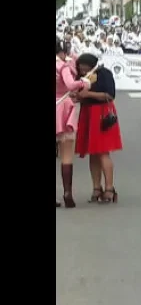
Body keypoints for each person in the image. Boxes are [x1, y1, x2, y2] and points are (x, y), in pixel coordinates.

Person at [74, 53, 123, 204]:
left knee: (102, 152)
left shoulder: (104, 73)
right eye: (80, 68)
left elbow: (110, 94)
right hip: (87, 112)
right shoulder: (82, 77)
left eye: (85, 68)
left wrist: (88, 93)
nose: (82, 71)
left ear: (92, 65)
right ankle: (96, 188)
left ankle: (109, 189)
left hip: (101, 113)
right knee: (92, 153)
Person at [56, 40, 92, 208]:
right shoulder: (62, 67)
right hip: (63, 109)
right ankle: (67, 193)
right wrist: (83, 83)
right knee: (67, 154)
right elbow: (71, 85)